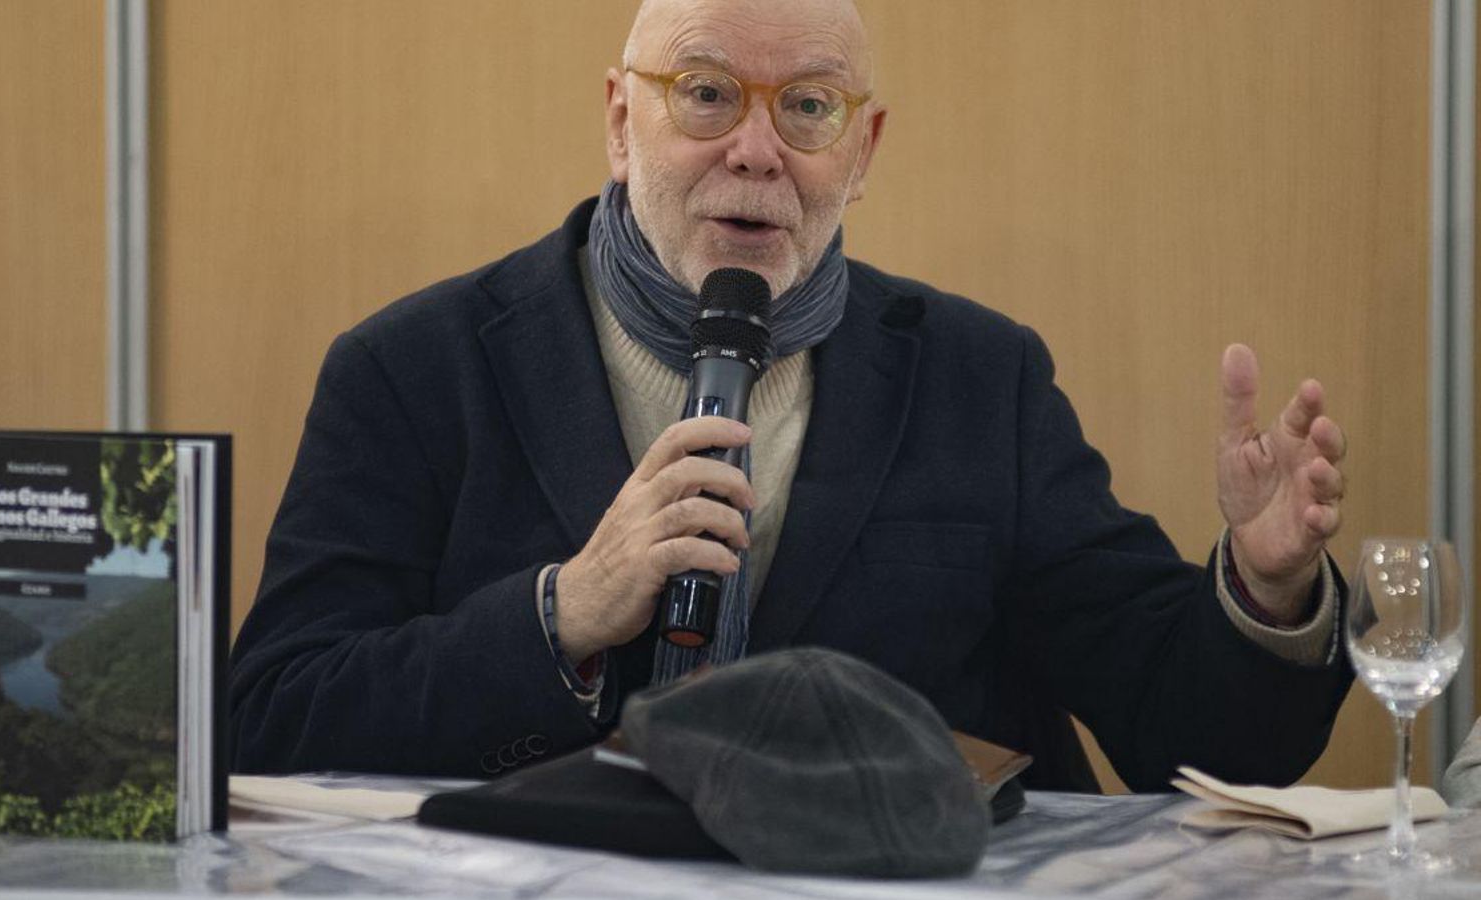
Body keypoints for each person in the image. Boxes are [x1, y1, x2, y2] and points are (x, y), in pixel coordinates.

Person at [229, 0, 1352, 791]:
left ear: (860, 150)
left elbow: (1188, 740)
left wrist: (1260, 589)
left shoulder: (978, 377)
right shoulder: (414, 369)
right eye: (707, 96)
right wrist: (561, 612)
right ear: (621, 123)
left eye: (807, 107)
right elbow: (275, 718)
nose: (758, 152)